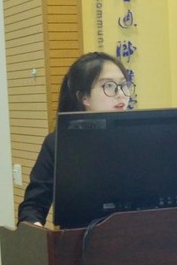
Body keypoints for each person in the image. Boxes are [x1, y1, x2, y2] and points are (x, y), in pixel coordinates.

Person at [17, 52, 134, 226]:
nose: (121, 94)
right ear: (84, 97)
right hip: (80, 239)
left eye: (124, 85)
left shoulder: (140, 138)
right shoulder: (57, 144)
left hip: (141, 236)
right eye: (109, 86)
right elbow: (33, 207)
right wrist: (34, 226)